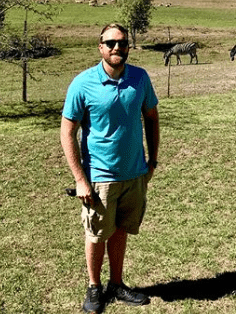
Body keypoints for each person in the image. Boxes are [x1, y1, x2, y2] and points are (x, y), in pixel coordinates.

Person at [60, 23, 159, 312]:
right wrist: (80, 179)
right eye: (111, 42)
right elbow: (67, 131)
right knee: (96, 234)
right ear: (100, 46)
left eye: (123, 43)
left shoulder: (140, 78)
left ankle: (116, 284)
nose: (117, 47)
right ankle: (94, 288)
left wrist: (152, 162)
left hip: (134, 174)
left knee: (120, 230)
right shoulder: (83, 83)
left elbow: (152, 118)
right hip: (99, 177)